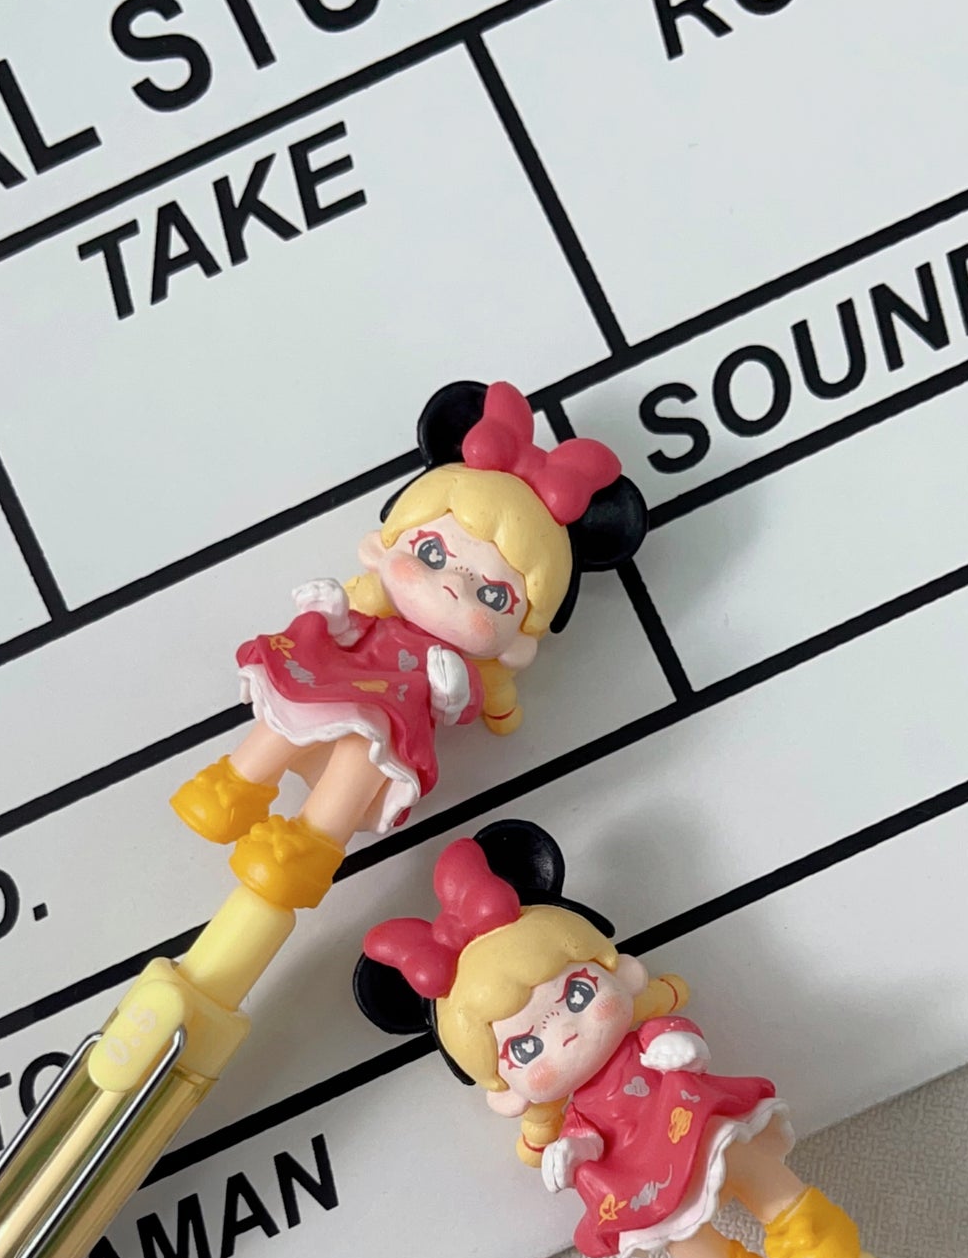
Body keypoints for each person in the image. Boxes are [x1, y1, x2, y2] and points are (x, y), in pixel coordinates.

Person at [353, 822, 860, 1258]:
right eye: (526, 1048)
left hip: (684, 1112)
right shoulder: (578, 1111)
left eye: (576, 995)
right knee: (668, 1223)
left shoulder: (642, 1040)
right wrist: (571, 1149)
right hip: (633, 1167)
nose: (566, 1033)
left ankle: (801, 1223)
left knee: (732, 1147)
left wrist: (679, 1045)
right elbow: (586, 1136)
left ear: (620, 975)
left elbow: (675, 1037)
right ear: (509, 1092)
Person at [172, 382, 646, 911]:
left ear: (516, 642)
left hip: (393, 716)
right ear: (383, 548)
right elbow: (346, 631)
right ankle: (234, 785)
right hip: (333, 678)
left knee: (363, 754)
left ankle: (309, 844)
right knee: (289, 710)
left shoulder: (449, 664)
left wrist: (452, 688)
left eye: (492, 595)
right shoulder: (377, 617)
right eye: (432, 553)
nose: (453, 586)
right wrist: (328, 612)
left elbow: (461, 706)